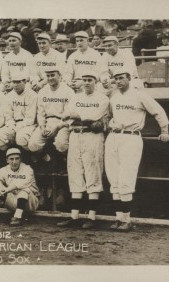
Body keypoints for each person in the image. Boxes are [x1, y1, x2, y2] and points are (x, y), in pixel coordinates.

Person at [105, 68, 169, 231]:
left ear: (129, 78)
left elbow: (158, 111)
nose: (119, 81)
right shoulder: (114, 96)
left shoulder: (139, 95)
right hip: (113, 136)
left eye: (122, 78)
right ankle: (118, 218)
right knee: (113, 177)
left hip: (131, 136)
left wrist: (164, 131)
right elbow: (109, 115)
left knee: (126, 176)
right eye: (116, 79)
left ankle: (127, 220)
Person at [57, 70, 109, 229]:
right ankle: (74, 216)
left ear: (96, 81)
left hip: (92, 136)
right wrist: (78, 116)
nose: (86, 82)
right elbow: (66, 115)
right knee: (75, 173)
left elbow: (93, 117)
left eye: (90, 79)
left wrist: (77, 116)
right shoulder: (75, 97)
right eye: (84, 79)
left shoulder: (103, 98)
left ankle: (91, 217)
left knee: (92, 173)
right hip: (75, 134)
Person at [0, 148, 39, 226]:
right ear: (7, 160)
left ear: (20, 159)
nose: (14, 162)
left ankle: (18, 217)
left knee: (24, 189)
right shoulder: (5, 169)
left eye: (17, 158)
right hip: (13, 200)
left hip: (29, 202)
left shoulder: (27, 169)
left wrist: (5, 190)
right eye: (11, 159)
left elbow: (21, 183)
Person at [28, 67, 74, 162]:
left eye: (53, 75)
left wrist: (57, 127)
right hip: (48, 122)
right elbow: (40, 113)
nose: (50, 78)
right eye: (48, 76)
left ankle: (66, 160)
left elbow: (69, 115)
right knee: (33, 145)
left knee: (61, 144)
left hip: (62, 123)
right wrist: (42, 126)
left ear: (60, 76)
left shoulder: (68, 91)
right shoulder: (43, 91)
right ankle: (47, 160)